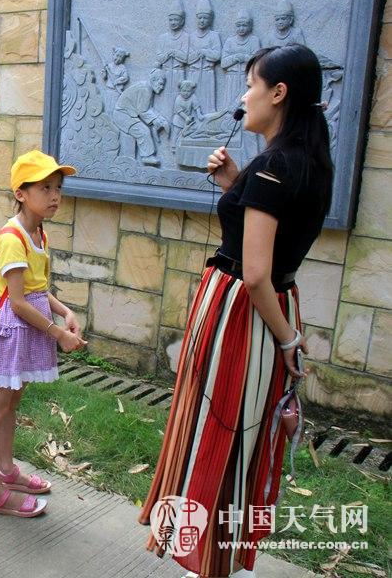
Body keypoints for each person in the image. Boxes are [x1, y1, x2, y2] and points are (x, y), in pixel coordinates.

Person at [139, 44, 333, 578]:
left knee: (214, 431)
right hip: (273, 309)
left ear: (279, 93)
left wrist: (288, 340)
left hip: (240, 315)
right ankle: (215, 558)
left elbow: (254, 272)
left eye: (251, 85)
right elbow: (275, 235)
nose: (244, 97)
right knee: (243, 435)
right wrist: (234, 183)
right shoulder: (305, 161)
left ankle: (202, 560)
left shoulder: (273, 166)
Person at [0, 151, 86, 519]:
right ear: (21, 193)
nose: (55, 196)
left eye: (58, 188)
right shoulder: (11, 238)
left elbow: (38, 289)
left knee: (11, 404)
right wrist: (57, 333)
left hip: (30, 329)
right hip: (12, 332)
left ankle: (7, 471)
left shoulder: (39, 233)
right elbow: (17, 302)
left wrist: (64, 311)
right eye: (45, 188)